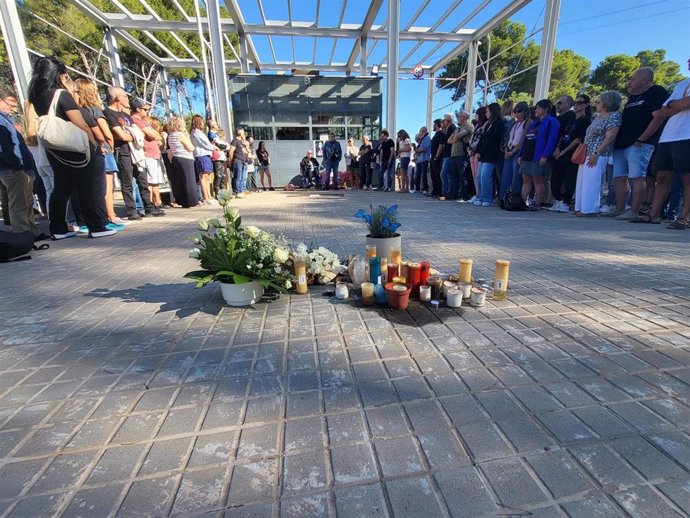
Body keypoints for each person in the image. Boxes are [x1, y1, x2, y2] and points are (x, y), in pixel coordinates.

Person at [28, 57, 115, 239]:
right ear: (58, 74)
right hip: (76, 148)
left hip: (54, 149)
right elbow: (81, 124)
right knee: (87, 187)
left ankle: (58, 228)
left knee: (61, 188)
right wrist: (94, 145)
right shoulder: (60, 94)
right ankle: (97, 226)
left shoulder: (37, 96)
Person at [630, 61, 690, 229]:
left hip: (687, 136)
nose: (688, 62)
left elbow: (681, 105)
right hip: (668, 136)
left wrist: (675, 105)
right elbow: (661, 112)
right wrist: (678, 104)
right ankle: (653, 214)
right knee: (661, 177)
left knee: (687, 178)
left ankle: (684, 217)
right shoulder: (682, 84)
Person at [606, 68, 669, 220]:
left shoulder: (656, 91)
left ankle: (634, 210)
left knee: (637, 177)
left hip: (640, 143)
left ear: (645, 81)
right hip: (622, 144)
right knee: (619, 177)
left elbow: (658, 117)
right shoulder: (632, 97)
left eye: (633, 79)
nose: (630, 81)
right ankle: (620, 208)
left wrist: (642, 138)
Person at [103, 86, 163, 220]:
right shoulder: (108, 113)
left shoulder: (126, 116)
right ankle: (131, 210)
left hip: (136, 152)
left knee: (143, 180)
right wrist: (132, 134)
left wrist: (131, 134)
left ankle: (149, 206)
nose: (127, 100)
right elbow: (121, 136)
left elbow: (138, 133)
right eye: (125, 96)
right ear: (118, 98)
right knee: (127, 183)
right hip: (122, 152)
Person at [74, 79, 124, 226]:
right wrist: (109, 145)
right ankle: (110, 216)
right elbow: (106, 133)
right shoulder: (95, 111)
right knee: (106, 186)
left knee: (89, 187)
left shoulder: (76, 112)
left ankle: (87, 219)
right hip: (102, 150)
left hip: (85, 150)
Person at [0, 88, 43, 240]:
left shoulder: (6, 119)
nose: (14, 108)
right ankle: (22, 235)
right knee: (18, 204)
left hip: (21, 167)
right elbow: (4, 148)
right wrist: (16, 166)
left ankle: (31, 232)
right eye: (11, 104)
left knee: (26, 202)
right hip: (13, 169)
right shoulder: (1, 121)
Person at [574, 91, 623, 216]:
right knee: (582, 180)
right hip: (586, 152)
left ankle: (590, 209)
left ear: (607, 103)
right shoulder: (597, 117)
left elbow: (610, 137)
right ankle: (580, 206)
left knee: (592, 180)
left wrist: (596, 153)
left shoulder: (614, 116)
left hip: (598, 153)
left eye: (598, 102)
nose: (596, 104)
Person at [549, 95, 592, 212]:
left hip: (572, 153)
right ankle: (558, 200)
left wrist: (564, 151)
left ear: (586, 105)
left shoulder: (586, 120)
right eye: (575, 103)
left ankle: (566, 203)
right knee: (555, 179)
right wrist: (558, 148)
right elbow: (562, 134)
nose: (576, 105)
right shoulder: (571, 118)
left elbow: (578, 139)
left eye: (580, 103)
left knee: (569, 179)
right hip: (561, 151)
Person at [517, 99, 560, 211]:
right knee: (526, 178)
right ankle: (522, 201)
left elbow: (552, 139)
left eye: (539, 108)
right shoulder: (535, 123)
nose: (536, 110)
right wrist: (521, 155)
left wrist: (545, 155)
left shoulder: (552, 121)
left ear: (546, 109)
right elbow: (526, 139)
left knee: (538, 179)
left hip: (538, 155)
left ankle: (538, 203)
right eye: (536, 108)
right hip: (528, 155)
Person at [130, 99, 165, 209]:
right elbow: (152, 134)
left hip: (154, 154)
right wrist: (154, 135)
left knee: (154, 179)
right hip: (147, 153)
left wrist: (155, 135)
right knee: (149, 181)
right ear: (138, 109)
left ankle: (157, 202)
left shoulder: (144, 121)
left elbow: (156, 135)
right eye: (145, 109)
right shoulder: (135, 120)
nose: (147, 112)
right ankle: (150, 204)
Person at [475, 103, 505, 207]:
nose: (486, 113)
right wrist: (477, 151)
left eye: (487, 111)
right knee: (479, 176)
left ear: (493, 112)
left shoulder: (499, 124)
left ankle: (487, 198)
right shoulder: (487, 124)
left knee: (485, 176)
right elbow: (482, 138)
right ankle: (480, 196)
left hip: (491, 154)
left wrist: (481, 152)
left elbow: (492, 140)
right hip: (482, 154)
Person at [500, 102, 530, 199]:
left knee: (515, 176)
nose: (516, 113)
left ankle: (514, 199)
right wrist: (506, 150)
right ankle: (503, 198)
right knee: (505, 176)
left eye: (519, 111)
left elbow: (523, 138)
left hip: (518, 150)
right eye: (515, 111)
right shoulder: (514, 122)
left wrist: (513, 151)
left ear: (525, 112)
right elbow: (508, 137)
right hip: (509, 149)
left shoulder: (528, 122)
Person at [167, 116, 198, 208]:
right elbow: (191, 148)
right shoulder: (180, 135)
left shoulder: (170, 136)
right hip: (185, 158)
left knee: (181, 181)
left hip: (176, 158)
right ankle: (192, 201)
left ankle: (183, 201)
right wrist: (187, 138)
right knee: (189, 180)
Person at [445, 111, 474, 201]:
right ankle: (454, 194)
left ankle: (463, 195)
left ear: (465, 117)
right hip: (454, 155)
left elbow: (458, 136)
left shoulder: (469, 126)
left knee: (462, 175)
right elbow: (449, 140)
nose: (458, 117)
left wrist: (455, 138)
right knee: (454, 176)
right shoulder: (457, 128)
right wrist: (455, 138)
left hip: (462, 155)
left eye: (459, 116)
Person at [189, 115, 216, 204]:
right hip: (201, 155)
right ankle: (205, 197)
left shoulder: (199, 132)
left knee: (207, 177)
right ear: (198, 122)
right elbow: (204, 143)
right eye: (202, 121)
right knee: (203, 176)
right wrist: (214, 147)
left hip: (206, 154)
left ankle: (209, 195)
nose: (203, 123)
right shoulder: (195, 132)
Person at [468, 107, 488, 201]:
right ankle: (477, 194)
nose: (475, 115)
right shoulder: (476, 125)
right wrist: (469, 148)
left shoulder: (486, 125)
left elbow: (480, 139)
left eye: (477, 113)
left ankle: (481, 195)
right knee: (474, 174)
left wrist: (473, 148)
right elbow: (472, 138)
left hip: (477, 152)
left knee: (478, 174)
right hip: (472, 152)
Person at [207, 120, 231, 196]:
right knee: (218, 175)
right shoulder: (211, 134)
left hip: (221, 156)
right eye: (216, 124)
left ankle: (223, 192)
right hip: (216, 157)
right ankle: (218, 193)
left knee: (222, 175)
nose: (218, 125)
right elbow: (220, 144)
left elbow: (227, 146)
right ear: (212, 126)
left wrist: (224, 146)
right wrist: (223, 146)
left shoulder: (216, 134)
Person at [228, 127, 252, 197]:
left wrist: (246, 145)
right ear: (239, 132)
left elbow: (248, 150)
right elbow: (231, 151)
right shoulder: (235, 140)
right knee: (238, 177)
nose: (243, 133)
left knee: (243, 177)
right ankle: (237, 192)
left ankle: (242, 190)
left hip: (244, 160)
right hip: (237, 161)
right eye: (242, 132)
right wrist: (231, 160)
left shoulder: (242, 141)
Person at [437, 113, 456, 200]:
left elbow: (449, 141)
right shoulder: (448, 129)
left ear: (448, 120)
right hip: (447, 154)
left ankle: (446, 193)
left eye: (444, 120)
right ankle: (447, 192)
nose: (443, 122)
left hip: (449, 154)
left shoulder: (452, 128)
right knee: (447, 174)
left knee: (444, 174)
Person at [429, 119, 445, 197]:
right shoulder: (435, 134)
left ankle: (440, 192)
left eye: (434, 124)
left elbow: (440, 146)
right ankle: (434, 191)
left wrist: (436, 157)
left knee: (437, 175)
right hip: (433, 157)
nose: (433, 126)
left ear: (437, 124)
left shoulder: (441, 134)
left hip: (437, 158)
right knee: (433, 175)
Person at [414, 126, 431, 194]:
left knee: (424, 174)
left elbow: (424, 149)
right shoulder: (422, 139)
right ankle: (417, 189)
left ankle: (425, 189)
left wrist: (416, 150)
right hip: (419, 160)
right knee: (418, 174)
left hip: (424, 159)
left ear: (423, 131)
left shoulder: (427, 138)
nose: (419, 133)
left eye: (420, 131)